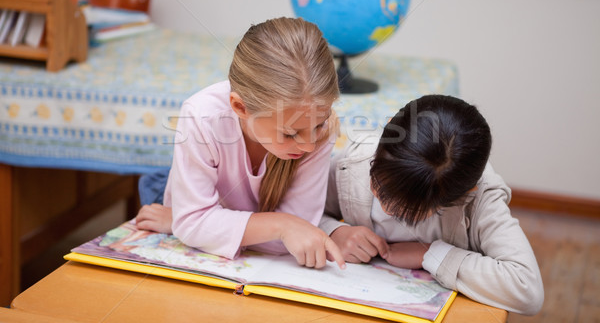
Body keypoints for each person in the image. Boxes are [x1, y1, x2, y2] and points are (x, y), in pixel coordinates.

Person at [136, 17, 345, 270]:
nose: (310, 145)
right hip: (180, 194)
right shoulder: (201, 116)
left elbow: (298, 236)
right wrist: (282, 226)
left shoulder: (319, 129)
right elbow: (292, 231)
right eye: (289, 134)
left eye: (318, 125)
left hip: (208, 207)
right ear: (240, 107)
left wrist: (197, 226)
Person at [319, 94, 544, 315]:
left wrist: (430, 254)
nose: (386, 209)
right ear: (387, 130)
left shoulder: (481, 200)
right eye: (379, 185)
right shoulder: (355, 161)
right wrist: (334, 231)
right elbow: (302, 213)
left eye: (406, 211)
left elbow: (527, 289)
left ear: (465, 194)